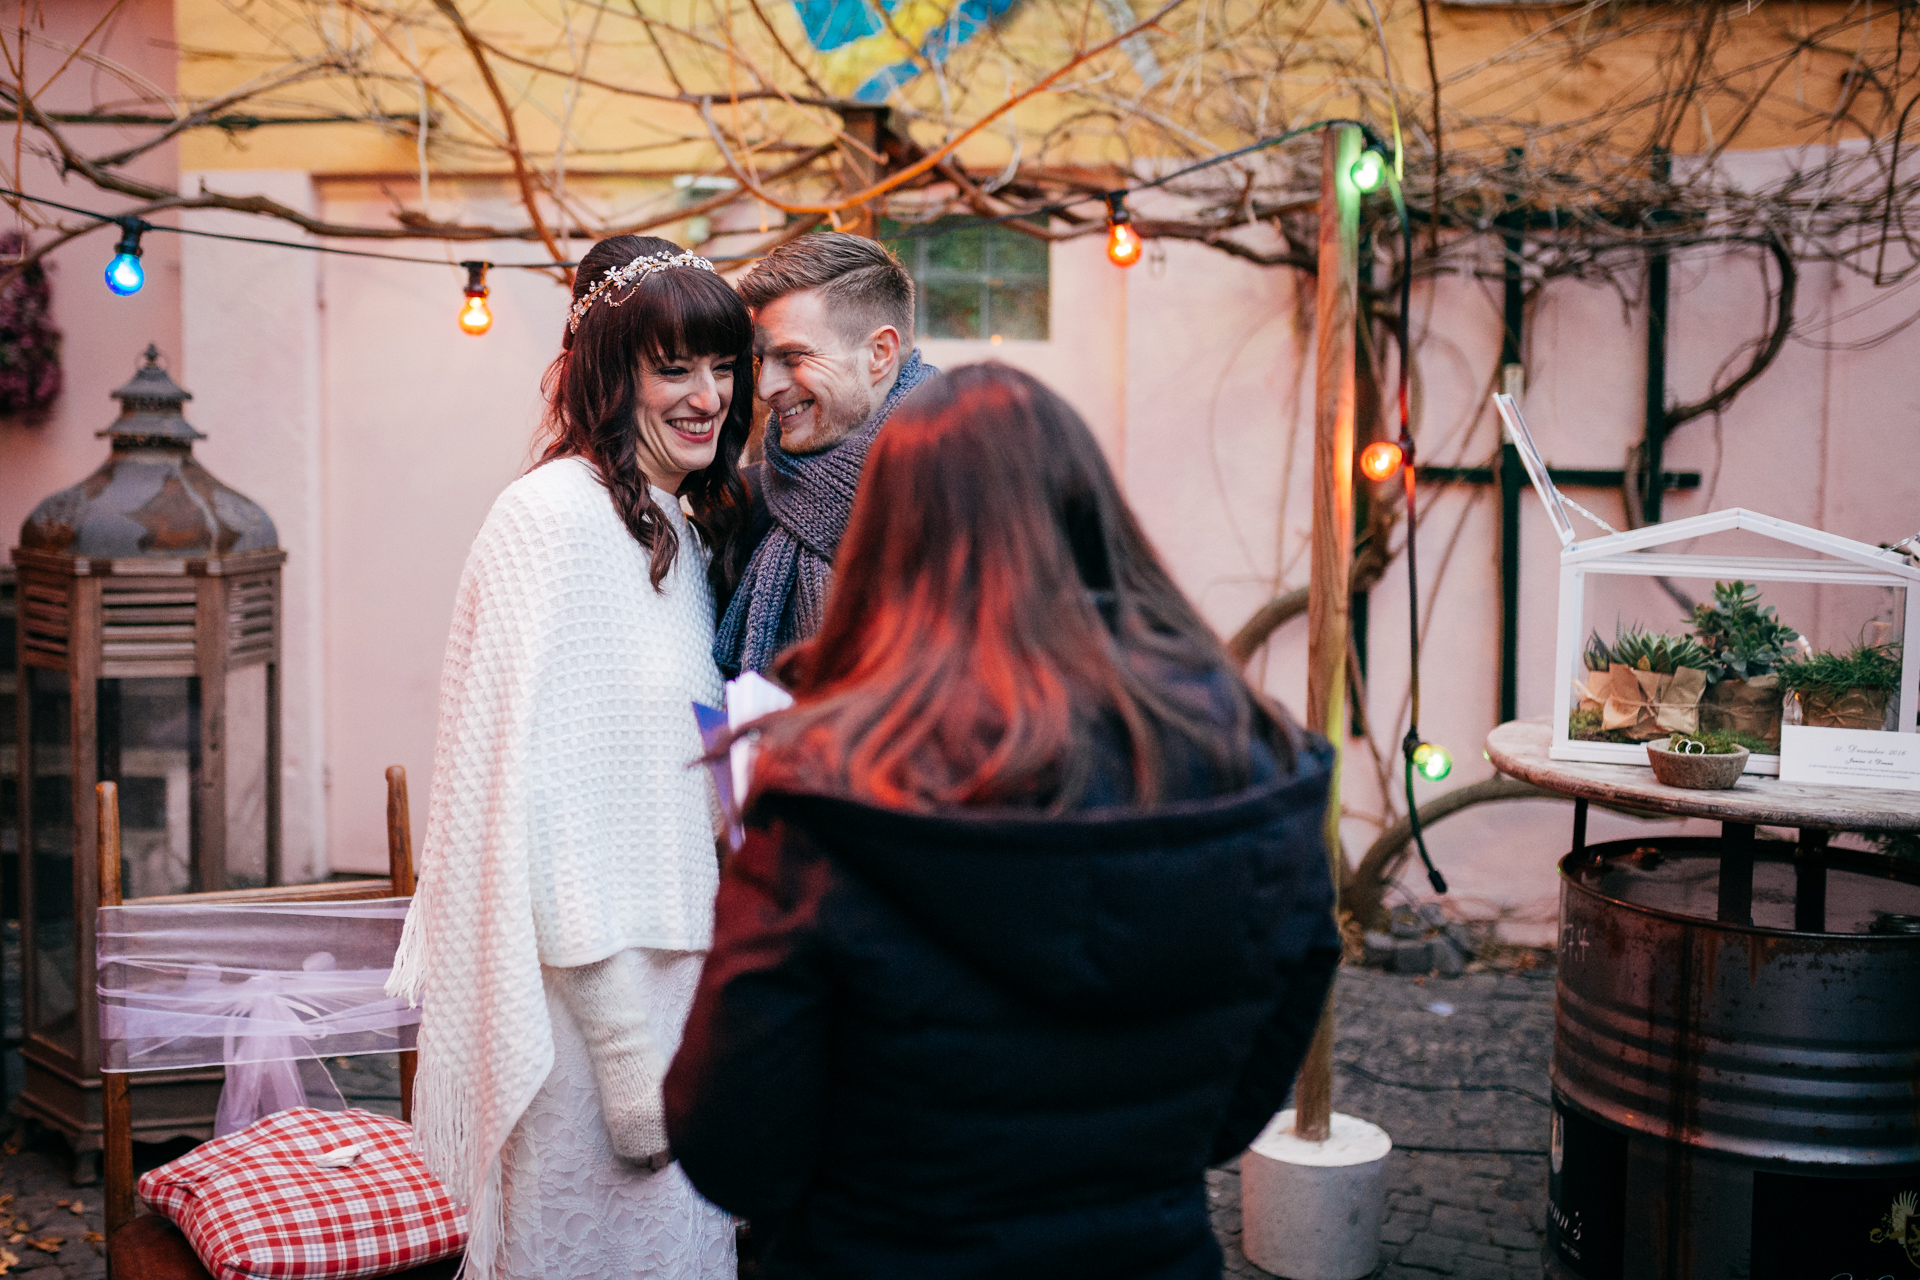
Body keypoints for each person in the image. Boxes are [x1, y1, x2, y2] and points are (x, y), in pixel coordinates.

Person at [665, 364, 1342, 1280]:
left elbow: (731, 1146)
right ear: (1096, 515)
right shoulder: (1252, 762)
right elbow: (1240, 1098)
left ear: (884, 538)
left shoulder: (823, 791)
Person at [389, 235, 751, 1280]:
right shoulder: (546, 518)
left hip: (685, 996)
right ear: (607, 368)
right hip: (588, 1027)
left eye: (722, 365)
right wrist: (626, 1051)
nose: (708, 395)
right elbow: (530, 811)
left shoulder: (677, 532)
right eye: (673, 365)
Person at [712, 232, 937, 677]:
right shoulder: (747, 505)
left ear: (879, 354)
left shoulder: (973, 492)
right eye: (761, 362)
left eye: (793, 356)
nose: (766, 388)